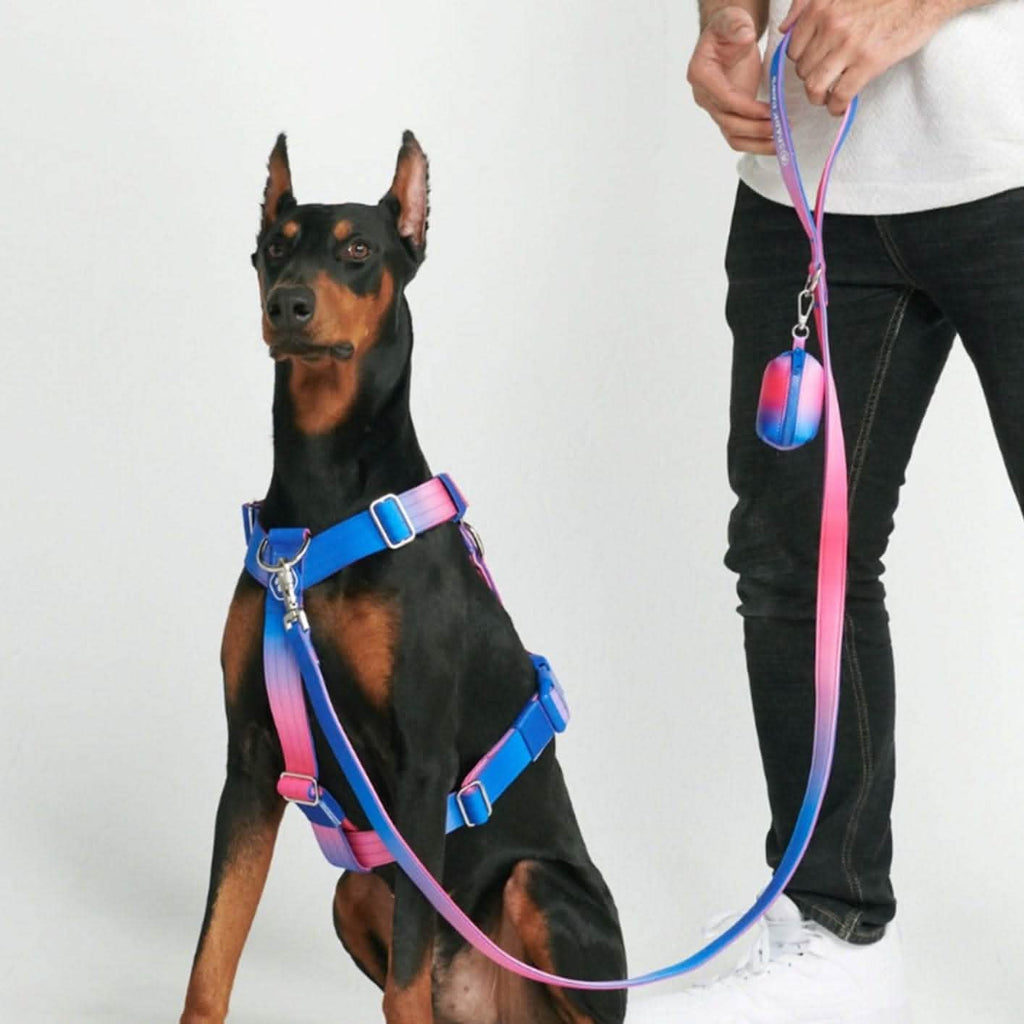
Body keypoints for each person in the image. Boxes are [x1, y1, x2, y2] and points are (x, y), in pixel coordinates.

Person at [631, 0, 1024, 1020]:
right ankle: (833, 932)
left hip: (1011, 153)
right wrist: (727, 17)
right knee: (793, 562)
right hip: (806, 178)